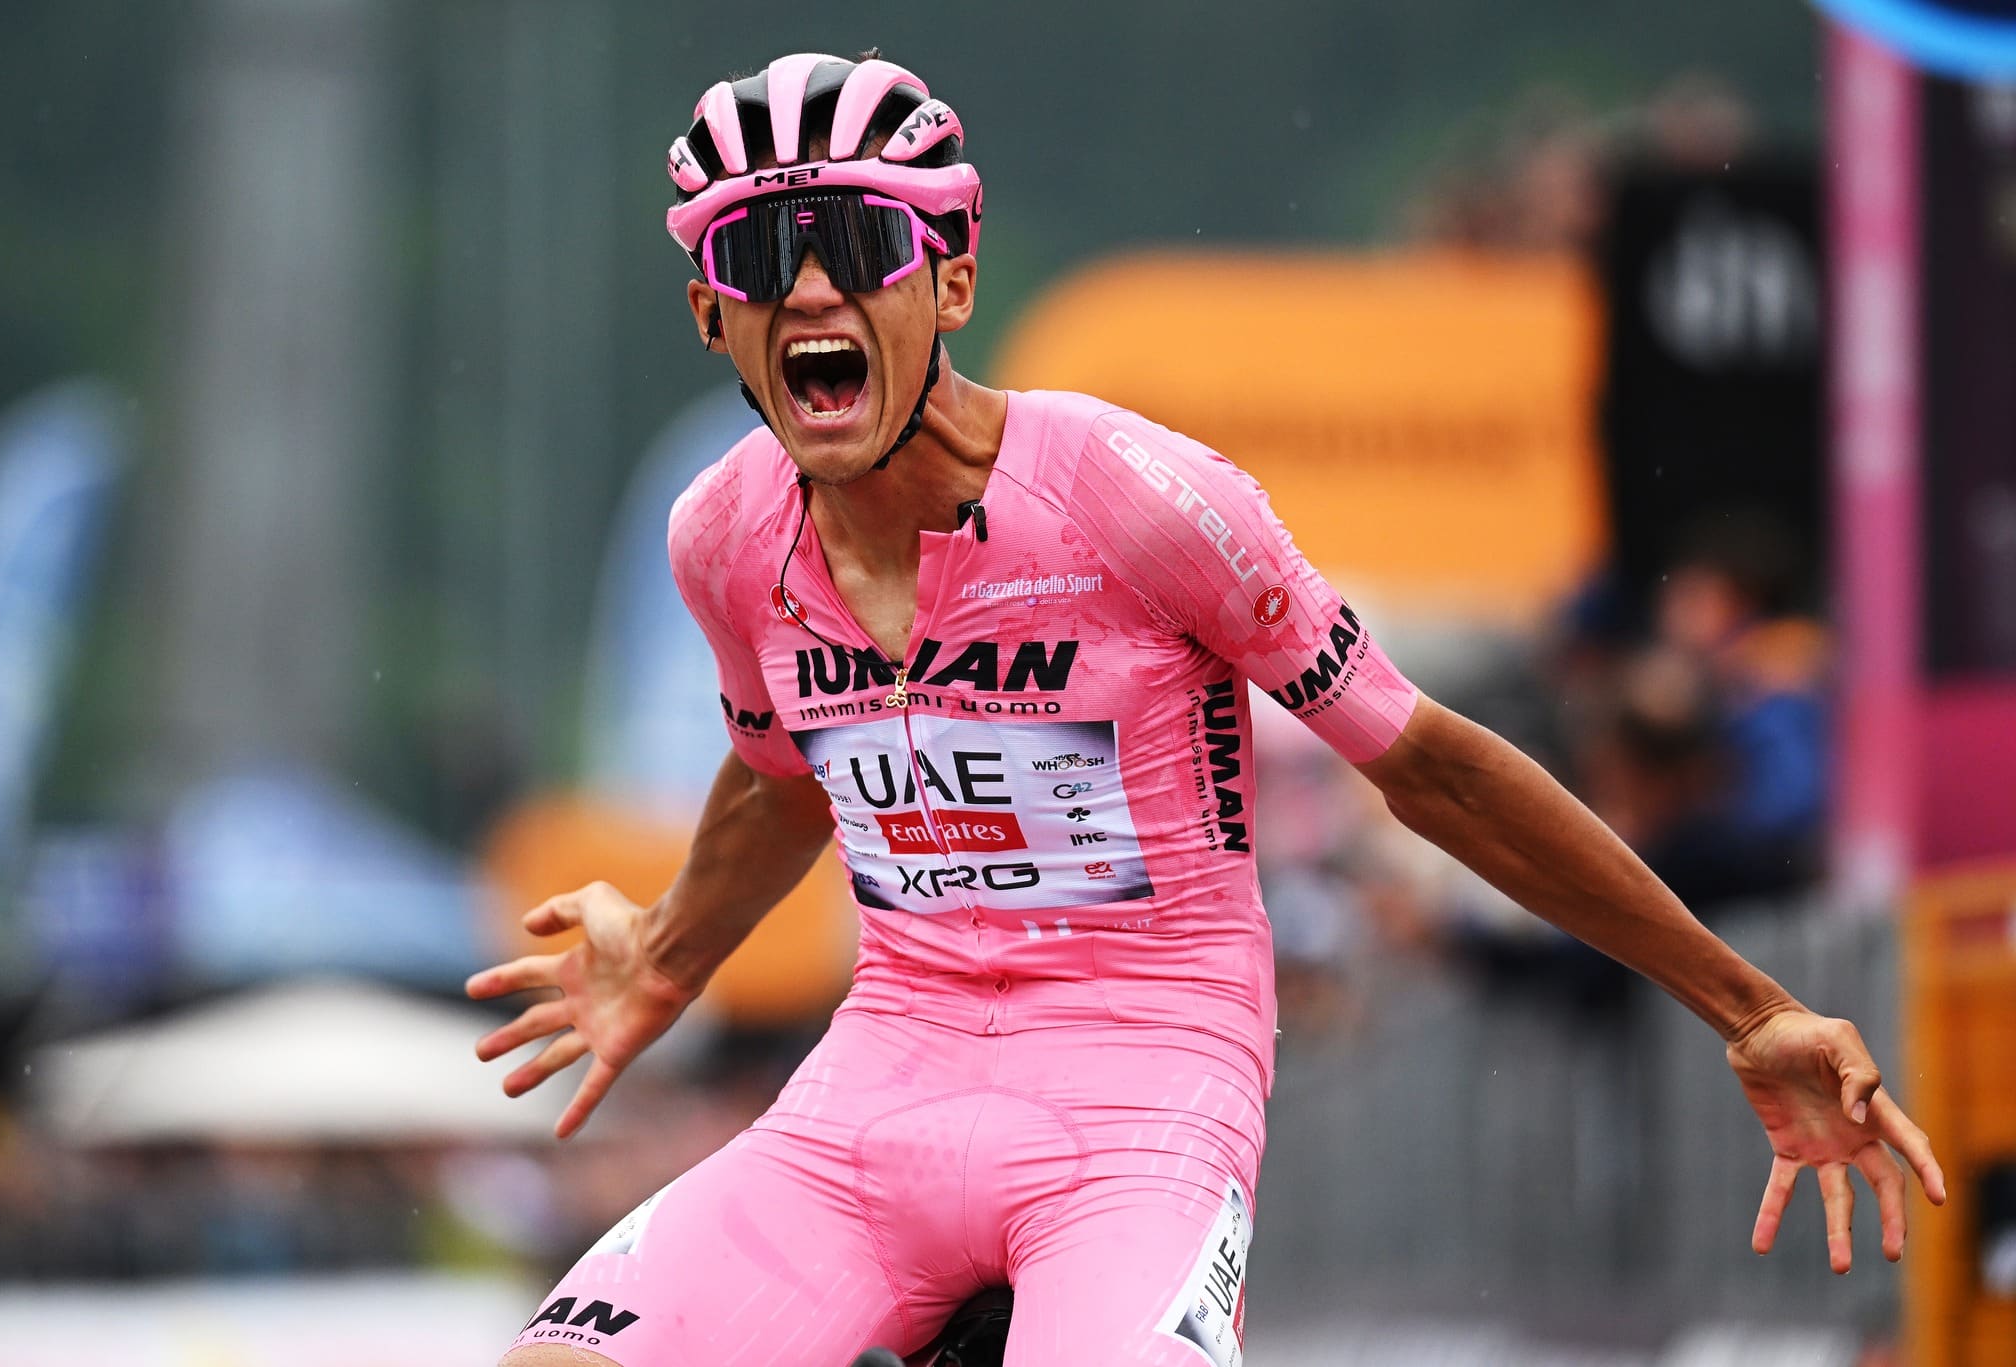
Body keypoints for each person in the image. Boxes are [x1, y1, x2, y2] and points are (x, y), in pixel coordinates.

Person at [467, 51, 1944, 1367]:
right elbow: (779, 770)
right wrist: (669, 956)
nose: (807, 291)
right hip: (877, 1089)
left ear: (952, 282)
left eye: (855, 245)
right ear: (710, 313)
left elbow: (1430, 769)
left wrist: (1751, 1007)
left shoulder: (1139, 496)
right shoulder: (722, 535)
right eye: (757, 254)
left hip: (1139, 1095)